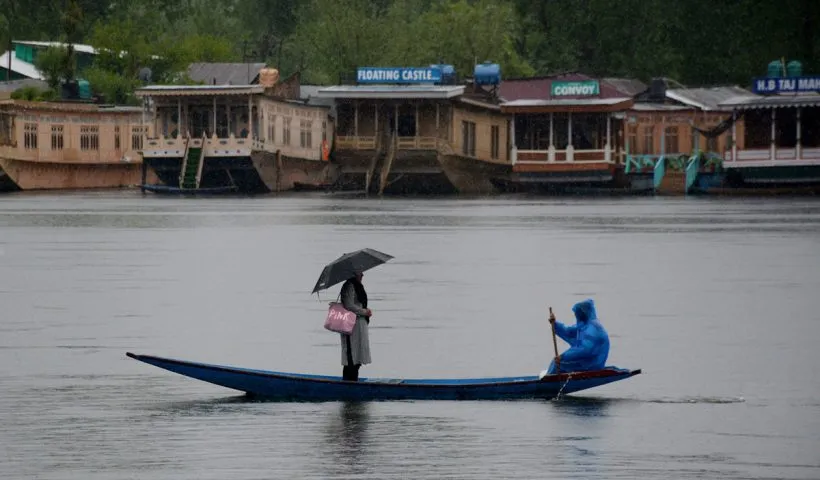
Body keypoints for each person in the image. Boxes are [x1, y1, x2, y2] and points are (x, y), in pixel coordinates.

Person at [547, 298, 610, 374]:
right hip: (587, 360)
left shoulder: (593, 329)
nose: (576, 315)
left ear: (583, 313)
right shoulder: (583, 326)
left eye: (577, 313)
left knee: (559, 362)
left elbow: (585, 349)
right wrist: (555, 324)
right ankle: (549, 377)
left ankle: (549, 381)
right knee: (558, 361)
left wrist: (563, 357)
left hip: (593, 363)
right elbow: (568, 333)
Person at [339, 270, 372, 381]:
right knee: (351, 357)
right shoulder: (349, 286)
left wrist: (365, 312)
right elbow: (349, 305)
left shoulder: (357, 286)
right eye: (359, 273)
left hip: (359, 326)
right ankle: (349, 383)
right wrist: (364, 311)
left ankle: (353, 381)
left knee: (357, 358)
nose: (362, 275)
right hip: (351, 326)